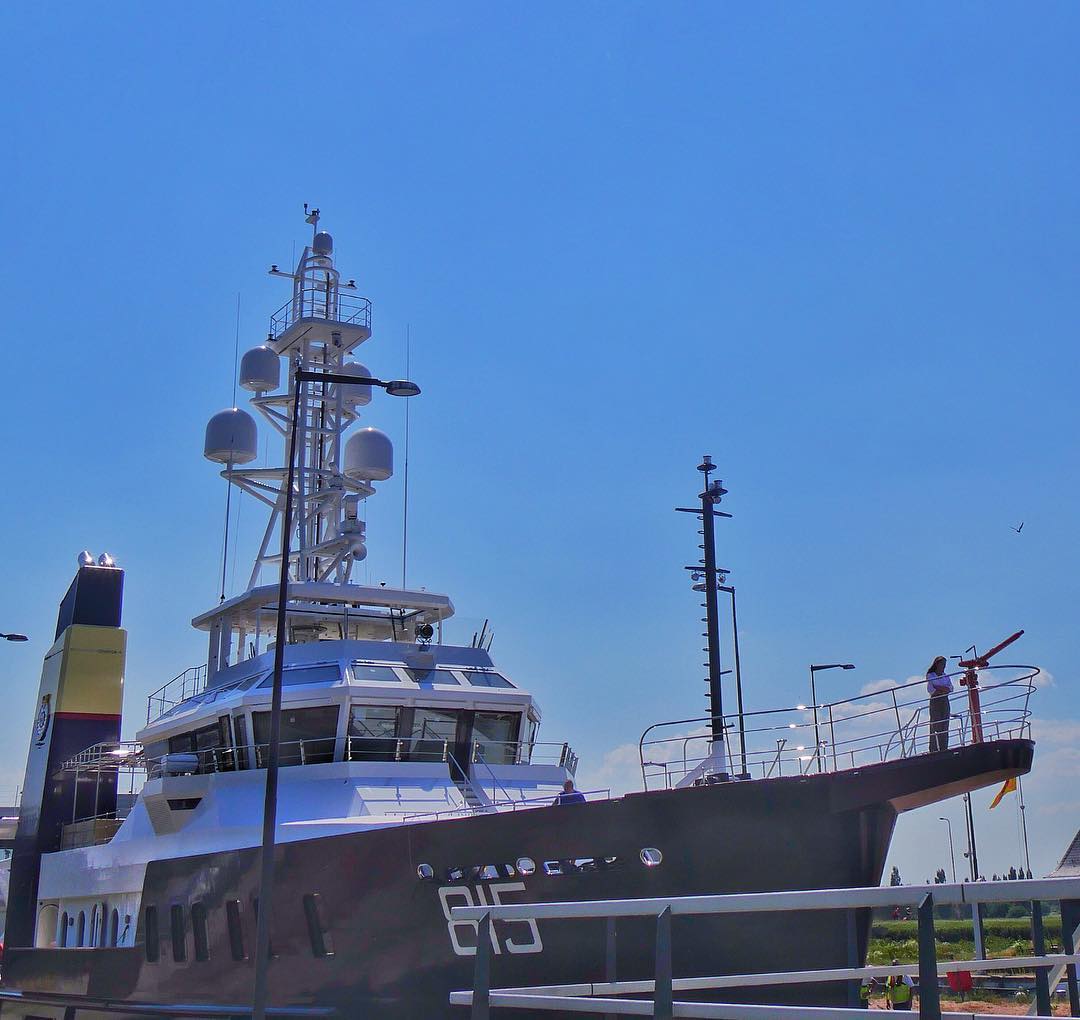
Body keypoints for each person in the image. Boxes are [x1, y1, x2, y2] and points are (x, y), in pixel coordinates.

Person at [926, 655, 953, 753]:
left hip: (944, 700)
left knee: (945, 723)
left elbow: (950, 688)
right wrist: (943, 688)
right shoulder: (931, 675)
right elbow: (933, 687)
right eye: (942, 664)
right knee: (935, 724)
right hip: (935, 700)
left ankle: (944, 747)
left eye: (944, 664)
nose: (943, 666)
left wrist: (940, 688)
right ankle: (933, 748)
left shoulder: (946, 676)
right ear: (937, 664)